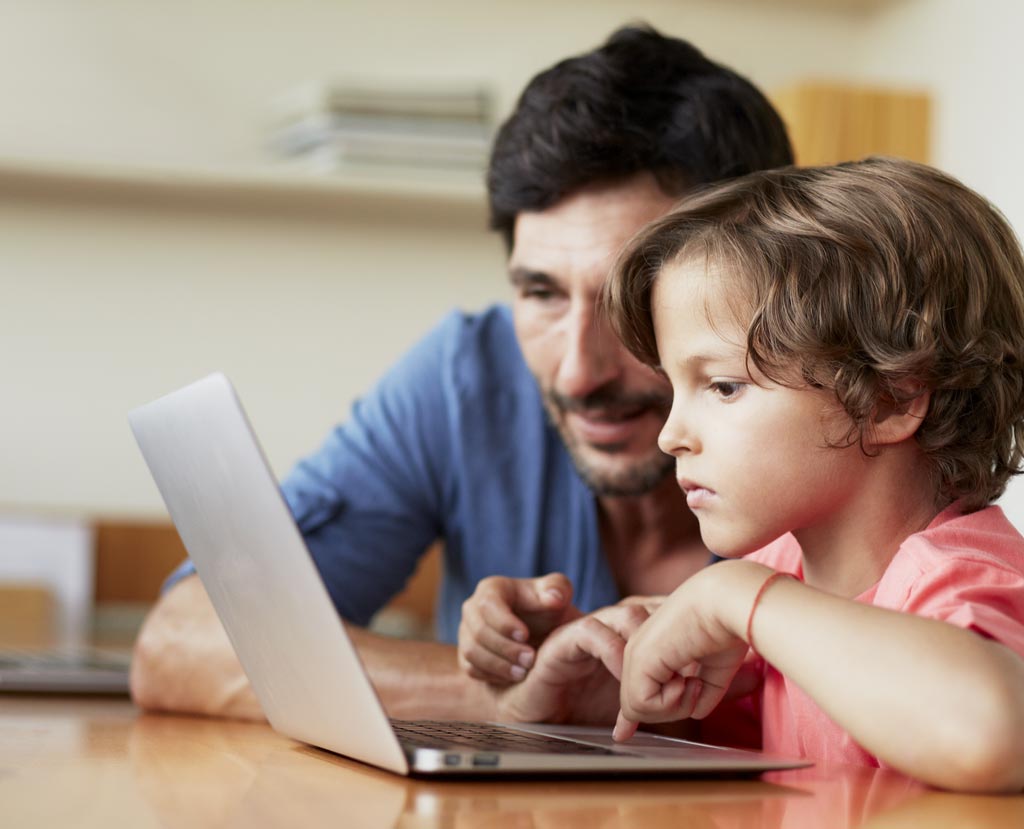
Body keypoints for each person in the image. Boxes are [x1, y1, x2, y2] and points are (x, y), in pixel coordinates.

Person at [129, 24, 793, 721]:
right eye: (541, 293)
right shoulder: (467, 380)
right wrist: (513, 694)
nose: (576, 372)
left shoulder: (839, 420)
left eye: (634, 300)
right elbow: (182, 641)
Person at [586, 157, 1024, 792]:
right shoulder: (783, 577)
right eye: (672, 392)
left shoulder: (956, 578)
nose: (669, 435)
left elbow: (993, 732)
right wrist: (625, 693)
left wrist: (735, 598)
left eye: (723, 386)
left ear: (891, 401)